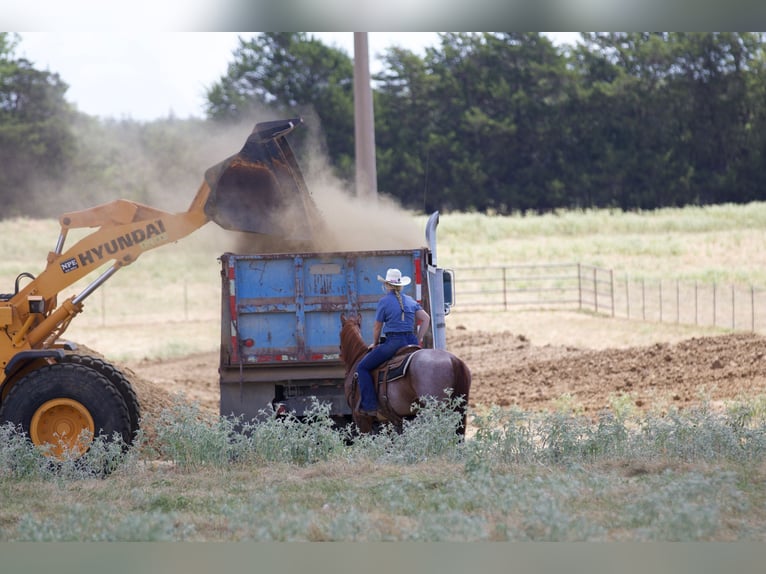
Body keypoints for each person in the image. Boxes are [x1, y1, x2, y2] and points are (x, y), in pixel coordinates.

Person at [355, 268, 431, 418]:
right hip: (411, 341)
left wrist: (375, 343)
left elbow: (377, 326)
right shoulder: (410, 300)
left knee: (362, 367)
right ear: (401, 285)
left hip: (394, 343)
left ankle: (370, 405)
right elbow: (426, 318)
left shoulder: (384, 301)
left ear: (387, 285)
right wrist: (418, 339)